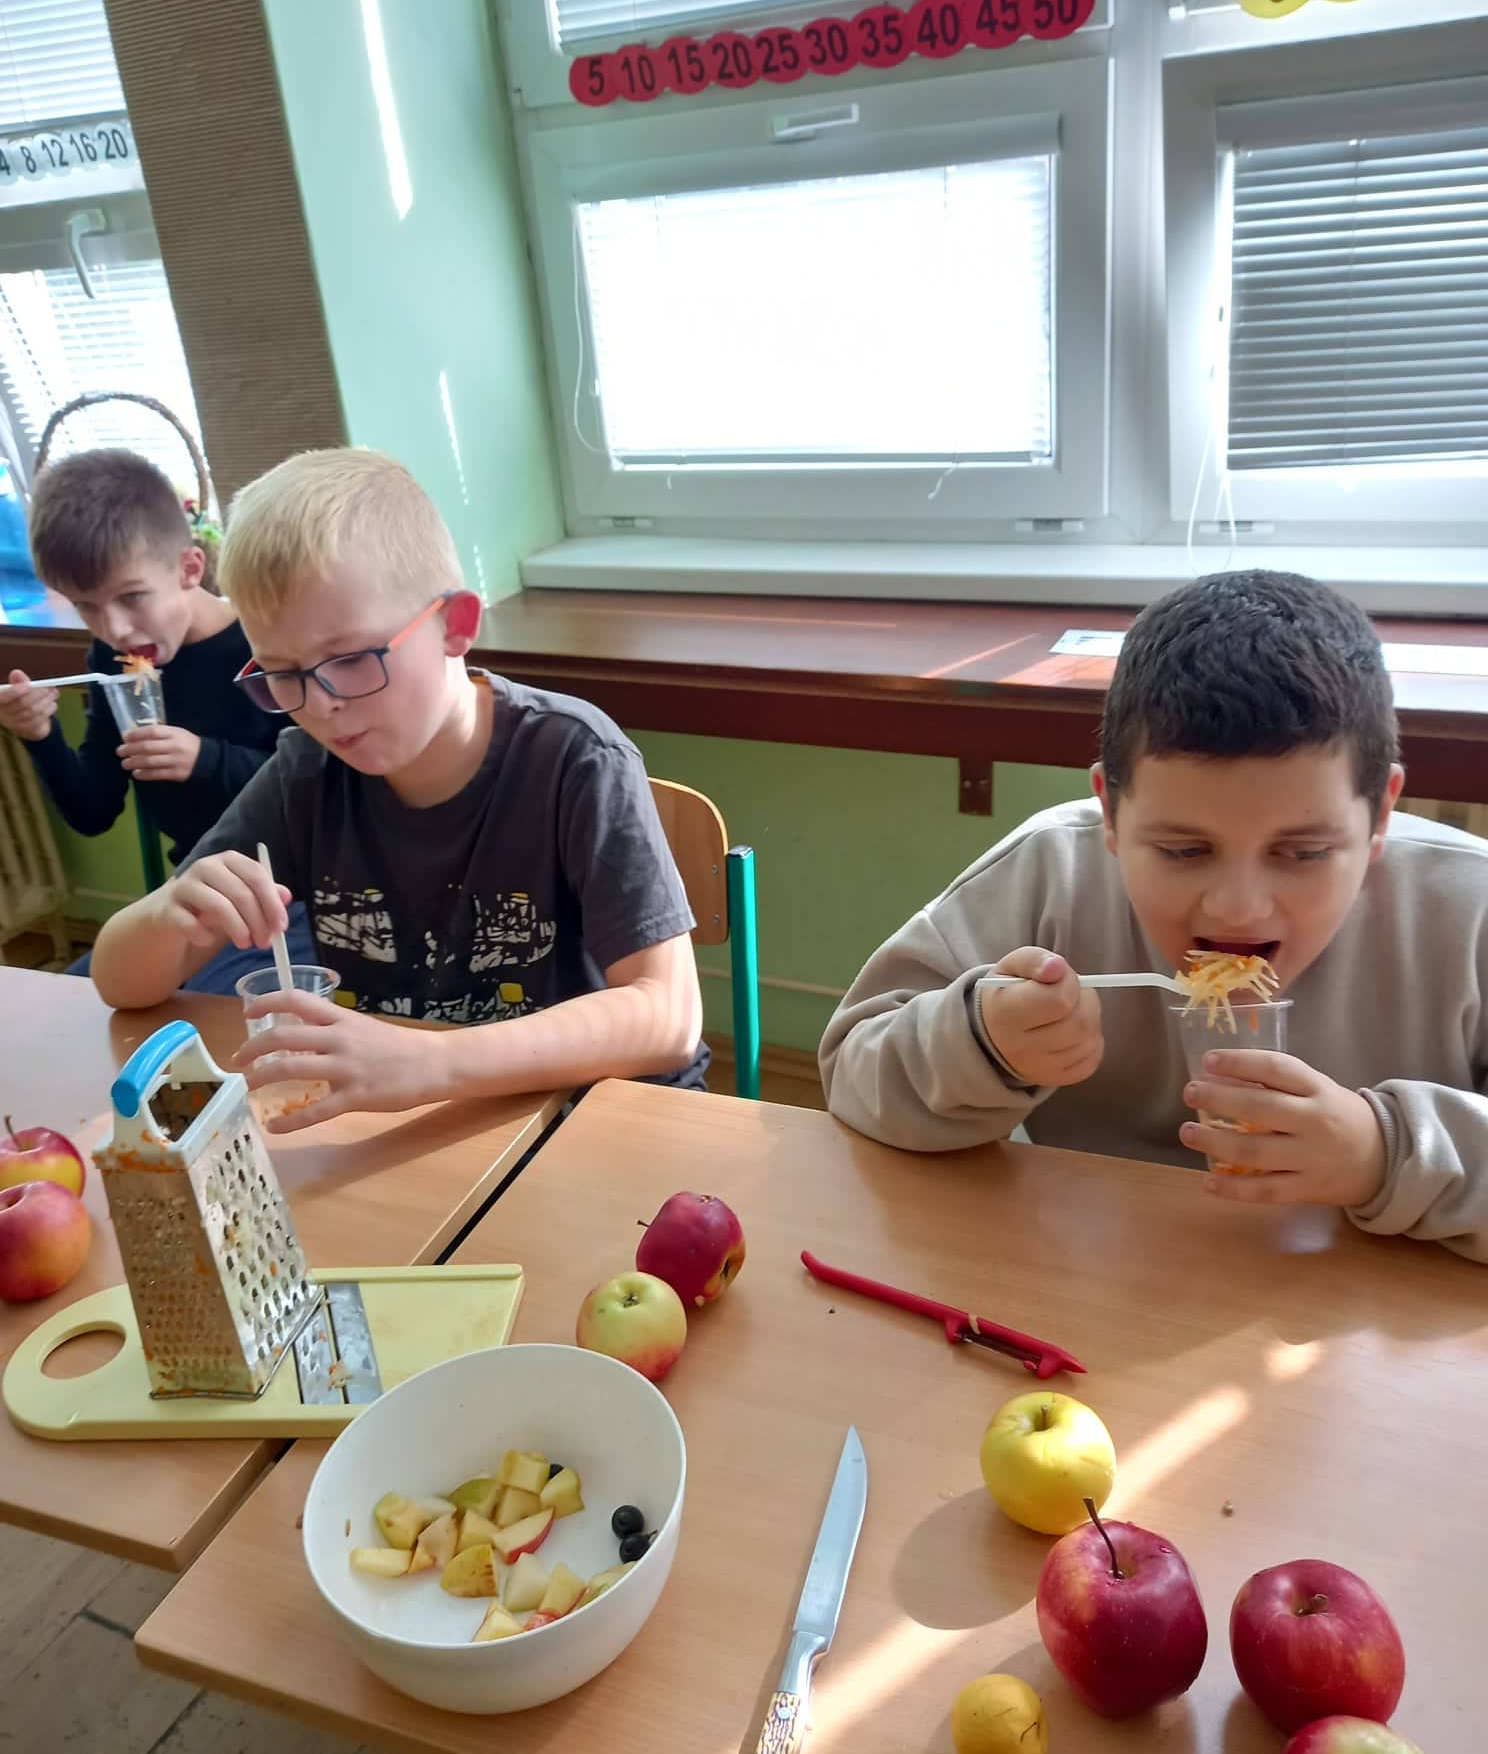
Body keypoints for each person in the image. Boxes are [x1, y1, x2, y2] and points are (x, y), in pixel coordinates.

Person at [820, 570, 1488, 1262]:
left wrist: (1388, 1153)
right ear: (1110, 812)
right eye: (1183, 850)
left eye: (1304, 853)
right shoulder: (1052, 873)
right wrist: (977, 1044)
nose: (1238, 907)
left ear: (1380, 815)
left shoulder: (1467, 908)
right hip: (1091, 1284)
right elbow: (853, 1080)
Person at [88, 448, 705, 1127]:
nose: (321, 704)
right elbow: (118, 982)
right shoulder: (305, 776)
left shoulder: (574, 758)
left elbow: (667, 1015)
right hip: (432, 1124)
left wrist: (428, 1062)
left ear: (455, 625)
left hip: (592, 1118)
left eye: (351, 660)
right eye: (282, 674)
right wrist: (170, 912)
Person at [0, 446, 311, 989]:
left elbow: (321, 790)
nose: (115, 629)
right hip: (197, 897)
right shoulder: (115, 662)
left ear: (190, 568)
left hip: (293, 895)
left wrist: (205, 760)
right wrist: (41, 734)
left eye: (132, 597)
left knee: (203, 1009)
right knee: (79, 997)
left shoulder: (268, 645)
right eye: (86, 606)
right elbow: (93, 810)